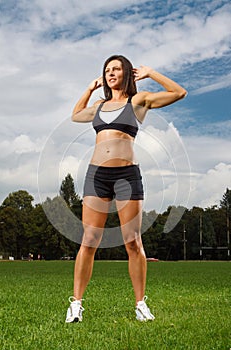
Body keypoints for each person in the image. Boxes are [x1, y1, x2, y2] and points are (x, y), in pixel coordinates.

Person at [65, 55, 187, 323]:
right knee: (89, 240)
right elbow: (75, 116)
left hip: (126, 176)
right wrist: (89, 89)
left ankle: (140, 304)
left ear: (127, 73)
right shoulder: (99, 105)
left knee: (132, 241)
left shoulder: (138, 101)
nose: (110, 73)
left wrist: (151, 72)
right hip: (97, 175)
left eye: (116, 69)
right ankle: (76, 304)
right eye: (107, 70)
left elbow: (179, 92)